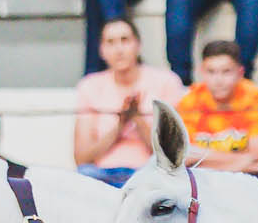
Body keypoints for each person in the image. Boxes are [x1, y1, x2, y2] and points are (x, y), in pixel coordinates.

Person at [70, 18, 184, 186]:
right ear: (101, 50)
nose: (119, 49)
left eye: (125, 40)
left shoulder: (167, 81)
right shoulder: (90, 85)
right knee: (82, 176)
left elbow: (171, 154)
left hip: (149, 173)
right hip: (101, 175)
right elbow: (81, 158)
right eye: (110, 42)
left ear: (138, 45)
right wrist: (120, 125)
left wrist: (137, 119)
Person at [175, 39, 258, 176]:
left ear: (240, 73)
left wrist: (202, 157)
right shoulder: (190, 101)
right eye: (211, 72)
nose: (218, 80)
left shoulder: (253, 98)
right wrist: (242, 159)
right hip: (202, 183)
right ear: (202, 72)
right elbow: (183, 159)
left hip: (244, 181)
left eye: (226, 72)